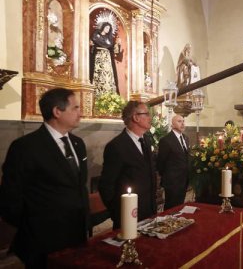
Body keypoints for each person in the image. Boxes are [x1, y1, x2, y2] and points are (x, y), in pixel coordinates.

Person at [0, 88, 89, 268]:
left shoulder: (78, 143)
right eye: (76, 108)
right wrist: (33, 226)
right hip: (42, 240)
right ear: (57, 111)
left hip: (76, 234)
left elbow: (78, 186)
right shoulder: (25, 147)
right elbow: (10, 198)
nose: (81, 113)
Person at [99, 101, 157, 229]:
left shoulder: (146, 140)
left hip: (149, 211)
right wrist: (118, 212)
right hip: (128, 214)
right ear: (136, 118)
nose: (150, 117)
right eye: (146, 114)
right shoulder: (116, 146)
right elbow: (106, 186)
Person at [157, 115, 190, 210]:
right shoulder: (166, 140)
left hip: (184, 179)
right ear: (172, 124)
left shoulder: (185, 138)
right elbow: (161, 162)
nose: (183, 123)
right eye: (179, 121)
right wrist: (168, 176)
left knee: (180, 206)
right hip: (172, 181)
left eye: (183, 121)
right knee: (171, 208)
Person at [90, 22, 119, 95]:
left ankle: (108, 92)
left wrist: (117, 44)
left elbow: (112, 48)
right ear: (103, 27)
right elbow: (93, 42)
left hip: (107, 58)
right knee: (98, 73)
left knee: (107, 75)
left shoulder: (109, 38)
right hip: (98, 56)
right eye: (106, 28)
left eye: (109, 28)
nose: (107, 30)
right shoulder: (96, 35)